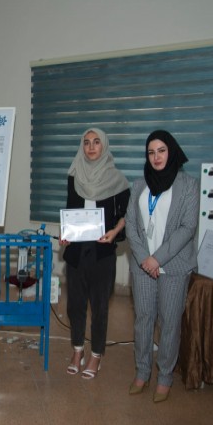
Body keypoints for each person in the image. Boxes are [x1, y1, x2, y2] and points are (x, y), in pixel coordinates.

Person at [126, 130, 199, 403]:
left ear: (172, 152)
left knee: (169, 322)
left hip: (174, 266)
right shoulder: (139, 186)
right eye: (151, 152)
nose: (156, 157)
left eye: (161, 151)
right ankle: (142, 372)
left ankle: (165, 376)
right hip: (142, 266)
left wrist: (157, 259)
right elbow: (131, 225)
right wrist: (145, 259)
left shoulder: (188, 185)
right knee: (143, 319)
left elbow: (187, 228)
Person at [60, 128, 130, 379]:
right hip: (77, 251)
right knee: (75, 305)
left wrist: (115, 232)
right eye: (87, 142)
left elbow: (126, 215)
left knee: (100, 307)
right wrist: (65, 232)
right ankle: (77, 350)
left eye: (96, 142)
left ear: (104, 146)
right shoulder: (74, 175)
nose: (91, 147)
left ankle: (96, 354)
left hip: (102, 252)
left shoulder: (117, 179)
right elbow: (70, 209)